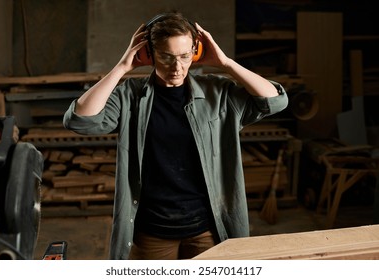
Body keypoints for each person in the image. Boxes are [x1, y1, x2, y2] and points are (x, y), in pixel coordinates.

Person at [63, 12, 288, 260]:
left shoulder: (217, 93)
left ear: (197, 52)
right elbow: (80, 120)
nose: (177, 67)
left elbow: (275, 102)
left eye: (185, 56)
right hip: (152, 230)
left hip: (207, 227)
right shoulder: (130, 96)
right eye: (166, 57)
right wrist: (122, 67)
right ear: (149, 54)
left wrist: (225, 63)